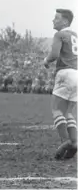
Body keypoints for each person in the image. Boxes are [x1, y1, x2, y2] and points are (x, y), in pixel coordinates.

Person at [43, 9, 77, 160]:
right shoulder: (75, 35)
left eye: (56, 18)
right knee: (68, 112)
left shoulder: (60, 34)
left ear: (64, 21)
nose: (53, 20)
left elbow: (55, 54)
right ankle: (75, 143)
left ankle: (65, 142)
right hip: (76, 74)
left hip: (65, 73)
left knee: (57, 109)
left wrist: (46, 60)